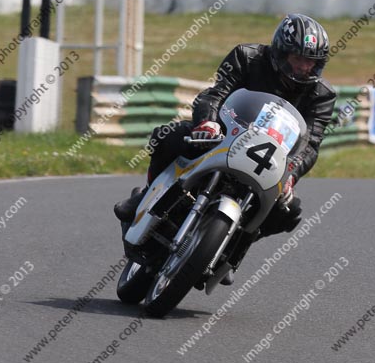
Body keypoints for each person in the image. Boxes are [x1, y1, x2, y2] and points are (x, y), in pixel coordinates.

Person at [114, 13, 336, 264]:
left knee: (289, 212)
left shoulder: (322, 95)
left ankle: (233, 249)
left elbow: (312, 142)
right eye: (298, 58)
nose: (305, 67)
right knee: (169, 136)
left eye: (312, 61)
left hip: (269, 161)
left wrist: (291, 173)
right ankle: (144, 198)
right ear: (280, 52)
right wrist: (207, 122)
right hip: (223, 134)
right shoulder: (247, 57)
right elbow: (215, 93)